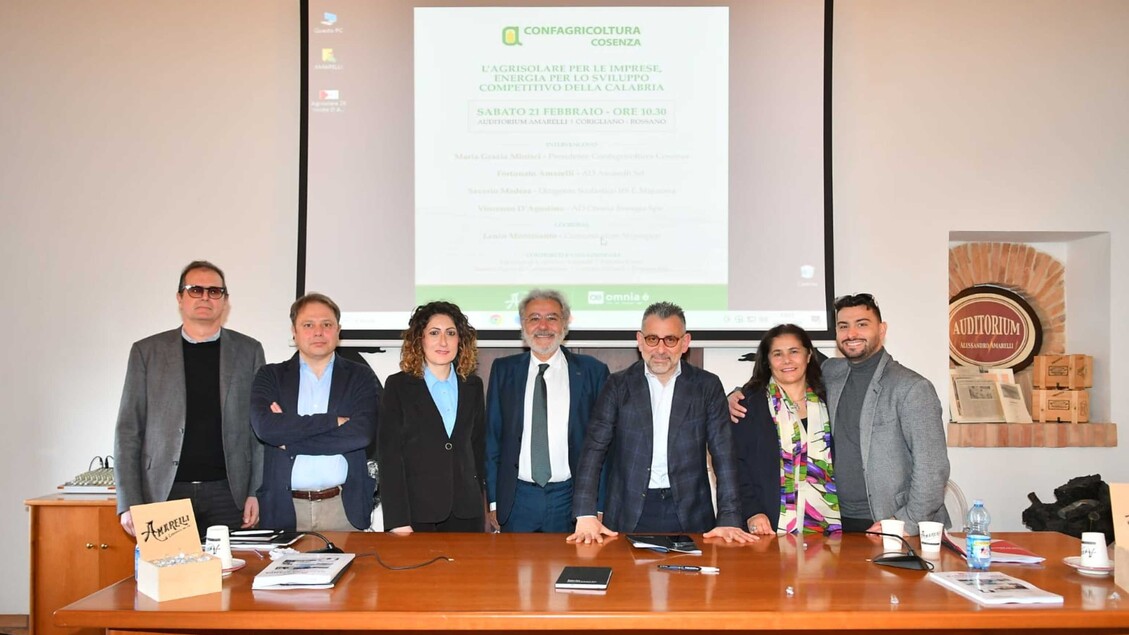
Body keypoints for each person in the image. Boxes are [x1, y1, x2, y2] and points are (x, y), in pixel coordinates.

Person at [729, 293, 949, 535]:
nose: (851, 334)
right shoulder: (832, 373)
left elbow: (932, 468)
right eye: (844, 326)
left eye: (862, 324)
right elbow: (778, 377)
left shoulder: (912, 388)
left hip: (889, 521)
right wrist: (735, 395)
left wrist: (904, 522)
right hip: (835, 521)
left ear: (882, 329)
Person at [567, 302, 756, 544]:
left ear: (685, 343)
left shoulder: (706, 386)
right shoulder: (617, 385)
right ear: (640, 341)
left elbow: (724, 454)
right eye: (652, 339)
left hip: (691, 513)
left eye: (670, 340)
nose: (660, 349)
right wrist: (585, 513)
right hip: (627, 511)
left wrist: (729, 517)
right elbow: (593, 449)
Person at [114, 260, 265, 537]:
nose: (205, 297)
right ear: (180, 298)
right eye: (195, 290)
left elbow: (257, 430)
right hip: (164, 492)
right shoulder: (147, 352)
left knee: (231, 567)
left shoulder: (249, 351)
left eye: (214, 291)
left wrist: (255, 491)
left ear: (225, 301)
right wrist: (128, 501)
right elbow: (128, 430)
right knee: (168, 567)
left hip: (228, 495)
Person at [250, 293, 378, 531]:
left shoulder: (360, 376)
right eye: (308, 325)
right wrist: (333, 422)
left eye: (326, 324)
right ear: (294, 331)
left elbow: (361, 434)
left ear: (338, 331)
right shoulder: (270, 376)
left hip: (343, 508)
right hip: (286, 508)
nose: (318, 332)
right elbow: (266, 429)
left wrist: (291, 440)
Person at [485, 290, 609, 533]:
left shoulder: (593, 372)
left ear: (565, 324)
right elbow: (492, 440)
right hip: (516, 499)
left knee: (572, 560)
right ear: (523, 325)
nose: (543, 326)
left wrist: (598, 504)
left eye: (552, 318)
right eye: (534, 318)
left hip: (572, 498)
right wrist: (494, 502)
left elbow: (604, 447)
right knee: (512, 560)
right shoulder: (504, 371)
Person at [379, 301, 487, 533]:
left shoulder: (473, 386)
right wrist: (397, 521)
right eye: (434, 333)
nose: (443, 341)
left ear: (461, 340)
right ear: (420, 339)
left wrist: (480, 502)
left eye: (451, 333)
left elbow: (477, 449)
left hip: (467, 513)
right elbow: (390, 458)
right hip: (417, 514)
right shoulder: (398, 386)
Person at [733, 324, 840, 535]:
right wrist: (752, 511)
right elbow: (735, 465)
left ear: (808, 356)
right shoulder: (748, 405)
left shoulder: (830, 400)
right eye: (777, 354)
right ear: (767, 361)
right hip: (767, 525)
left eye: (794, 352)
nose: (787, 360)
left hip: (827, 527)